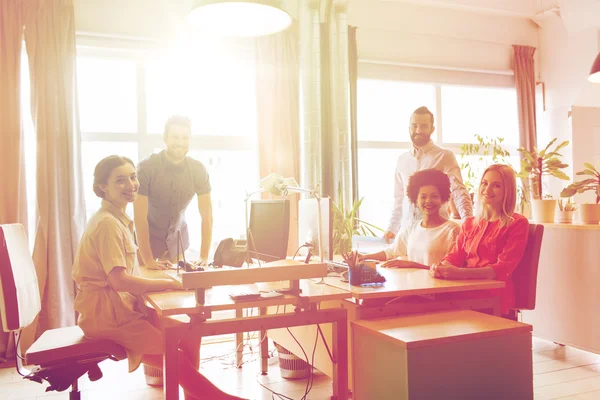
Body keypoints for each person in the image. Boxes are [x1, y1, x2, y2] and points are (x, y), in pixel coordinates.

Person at [72, 155, 244, 400]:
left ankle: (197, 396)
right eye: (120, 180)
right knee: (175, 352)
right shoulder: (107, 224)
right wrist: (168, 282)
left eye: (133, 177)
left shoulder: (116, 220)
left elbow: (121, 272)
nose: (131, 185)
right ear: (103, 187)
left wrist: (155, 270)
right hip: (107, 317)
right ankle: (218, 398)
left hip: (117, 310)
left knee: (189, 332)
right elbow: (119, 281)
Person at [430, 164, 529, 316]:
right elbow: (454, 256)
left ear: (507, 190)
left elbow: (502, 269)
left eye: (496, 185)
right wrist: (441, 267)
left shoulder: (517, 223)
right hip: (464, 291)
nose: (487, 190)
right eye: (484, 183)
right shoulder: (470, 223)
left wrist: (457, 273)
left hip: (492, 297)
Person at [134, 115, 213, 270]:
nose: (180, 142)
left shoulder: (198, 170)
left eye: (185, 138)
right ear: (165, 138)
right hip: (146, 246)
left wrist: (204, 256)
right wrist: (149, 260)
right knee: (147, 288)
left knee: (177, 290)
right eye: (175, 137)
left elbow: (207, 216)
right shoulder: (146, 167)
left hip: (178, 244)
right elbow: (140, 218)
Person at [383, 106, 472, 243]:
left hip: (436, 234)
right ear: (409, 128)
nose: (418, 130)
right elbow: (399, 199)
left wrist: (468, 223)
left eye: (424, 126)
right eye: (414, 126)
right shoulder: (402, 160)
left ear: (432, 129)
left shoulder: (445, 156)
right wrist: (392, 229)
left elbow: (459, 191)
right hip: (406, 235)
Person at [360, 169, 460, 269]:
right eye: (423, 197)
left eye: (434, 196)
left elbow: (449, 269)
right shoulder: (412, 227)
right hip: (413, 284)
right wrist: (364, 257)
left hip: (439, 284)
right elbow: (391, 252)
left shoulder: (452, 230)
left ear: (442, 200)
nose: (428, 201)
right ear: (416, 200)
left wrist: (411, 264)